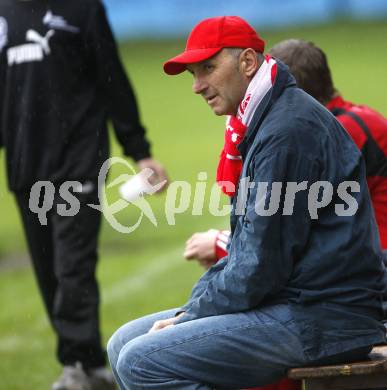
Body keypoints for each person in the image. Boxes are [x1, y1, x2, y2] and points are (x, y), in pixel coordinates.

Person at [107, 16, 386, 389]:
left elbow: (259, 264)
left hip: (325, 316)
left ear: (248, 63)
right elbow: (251, 253)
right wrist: (195, 309)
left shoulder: (286, 130)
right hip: (299, 302)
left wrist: (191, 316)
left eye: (207, 68)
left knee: (141, 359)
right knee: (123, 341)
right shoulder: (267, 119)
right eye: (193, 73)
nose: (197, 86)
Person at [184, 38, 387, 390]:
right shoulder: (338, 122)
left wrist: (220, 244)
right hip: (348, 270)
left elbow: (281, 223)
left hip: (363, 278)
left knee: (258, 360)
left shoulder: (318, 131)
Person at [0, 1, 167, 389]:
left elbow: (112, 78)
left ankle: (75, 363)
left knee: (72, 262)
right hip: (25, 163)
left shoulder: (82, 7)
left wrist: (139, 149)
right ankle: (90, 364)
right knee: (47, 268)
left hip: (78, 159)